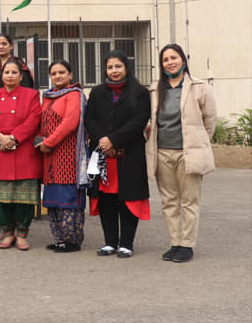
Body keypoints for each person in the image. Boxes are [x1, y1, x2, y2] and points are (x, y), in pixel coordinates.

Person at [146, 43, 218, 263]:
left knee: (189, 201)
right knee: (169, 201)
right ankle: (175, 243)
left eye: (174, 58)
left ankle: (187, 245)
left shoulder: (199, 87)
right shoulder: (155, 88)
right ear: (162, 64)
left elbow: (210, 121)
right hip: (162, 152)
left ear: (183, 60)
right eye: (166, 59)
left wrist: (198, 143)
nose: (170, 62)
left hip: (189, 154)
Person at [85, 51, 151, 258]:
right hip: (104, 156)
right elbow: (90, 120)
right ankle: (110, 242)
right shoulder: (96, 92)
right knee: (106, 199)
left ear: (126, 67)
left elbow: (139, 120)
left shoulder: (140, 92)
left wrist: (114, 139)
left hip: (129, 154)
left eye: (118, 66)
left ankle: (126, 243)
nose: (114, 71)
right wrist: (104, 140)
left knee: (128, 198)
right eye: (110, 67)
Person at [0, 59, 43, 250]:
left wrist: (14, 138)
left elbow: (34, 119)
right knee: (0, 199)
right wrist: (0, 136)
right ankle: (7, 233)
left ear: (21, 76)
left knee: (24, 199)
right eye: (6, 72)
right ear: (1, 75)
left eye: (14, 72)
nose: (10, 75)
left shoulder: (32, 95)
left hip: (23, 150)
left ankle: (22, 233)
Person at [37, 60, 88, 253]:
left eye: (62, 72)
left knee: (68, 198)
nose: (57, 76)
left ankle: (72, 240)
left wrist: (49, 143)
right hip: (49, 157)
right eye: (54, 73)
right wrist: (40, 142)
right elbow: (41, 123)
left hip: (68, 154)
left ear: (70, 74)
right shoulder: (48, 96)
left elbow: (70, 122)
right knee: (53, 198)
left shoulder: (74, 94)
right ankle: (59, 239)